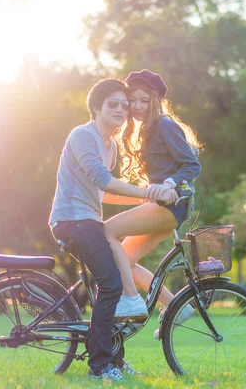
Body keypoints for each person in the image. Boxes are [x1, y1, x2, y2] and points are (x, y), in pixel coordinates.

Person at [48, 78, 175, 380]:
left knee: (113, 280)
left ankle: (114, 359)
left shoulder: (111, 145)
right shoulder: (83, 136)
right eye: (113, 104)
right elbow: (103, 180)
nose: (121, 109)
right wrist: (149, 192)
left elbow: (103, 192)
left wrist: (148, 194)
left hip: (89, 221)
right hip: (71, 221)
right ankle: (101, 366)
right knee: (111, 284)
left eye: (124, 104)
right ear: (96, 108)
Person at [104, 70, 202, 340]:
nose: (136, 106)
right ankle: (174, 306)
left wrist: (170, 183)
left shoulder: (164, 125)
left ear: (155, 101)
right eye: (132, 100)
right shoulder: (146, 130)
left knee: (106, 232)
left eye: (143, 100)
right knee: (123, 260)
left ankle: (131, 300)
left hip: (171, 206)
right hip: (162, 206)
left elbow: (192, 165)